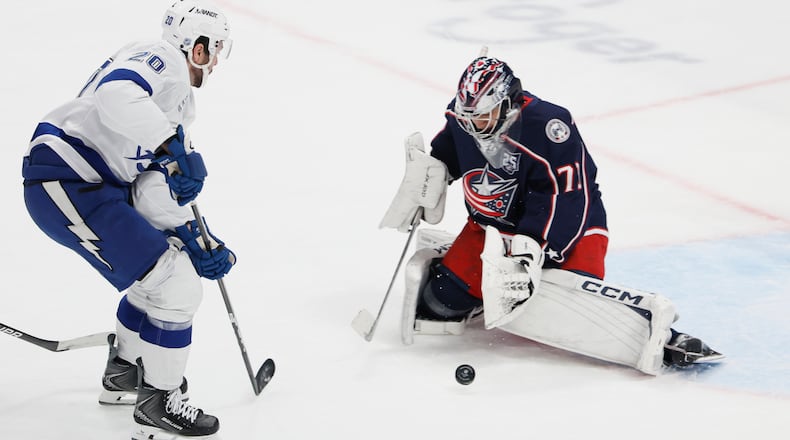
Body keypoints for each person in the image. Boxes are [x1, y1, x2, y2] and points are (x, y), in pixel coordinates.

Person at [380, 49, 723, 375]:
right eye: (469, 115)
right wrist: (428, 178)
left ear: (508, 102)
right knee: (440, 304)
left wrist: (533, 249)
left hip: (570, 230)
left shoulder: (549, 127)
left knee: (573, 312)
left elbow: (569, 197)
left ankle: (664, 338)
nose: (475, 124)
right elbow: (449, 152)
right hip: (491, 230)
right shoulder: (464, 118)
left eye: (484, 115)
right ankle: (477, 284)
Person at [21, 1, 235, 437]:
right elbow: (115, 92)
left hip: (94, 188)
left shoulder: (175, 106)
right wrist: (170, 145)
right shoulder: (163, 60)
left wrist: (197, 239)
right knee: (175, 286)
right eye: (211, 51)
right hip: (67, 179)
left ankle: (127, 373)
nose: (213, 63)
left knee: (160, 278)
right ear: (194, 47)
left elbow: (151, 190)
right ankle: (159, 400)